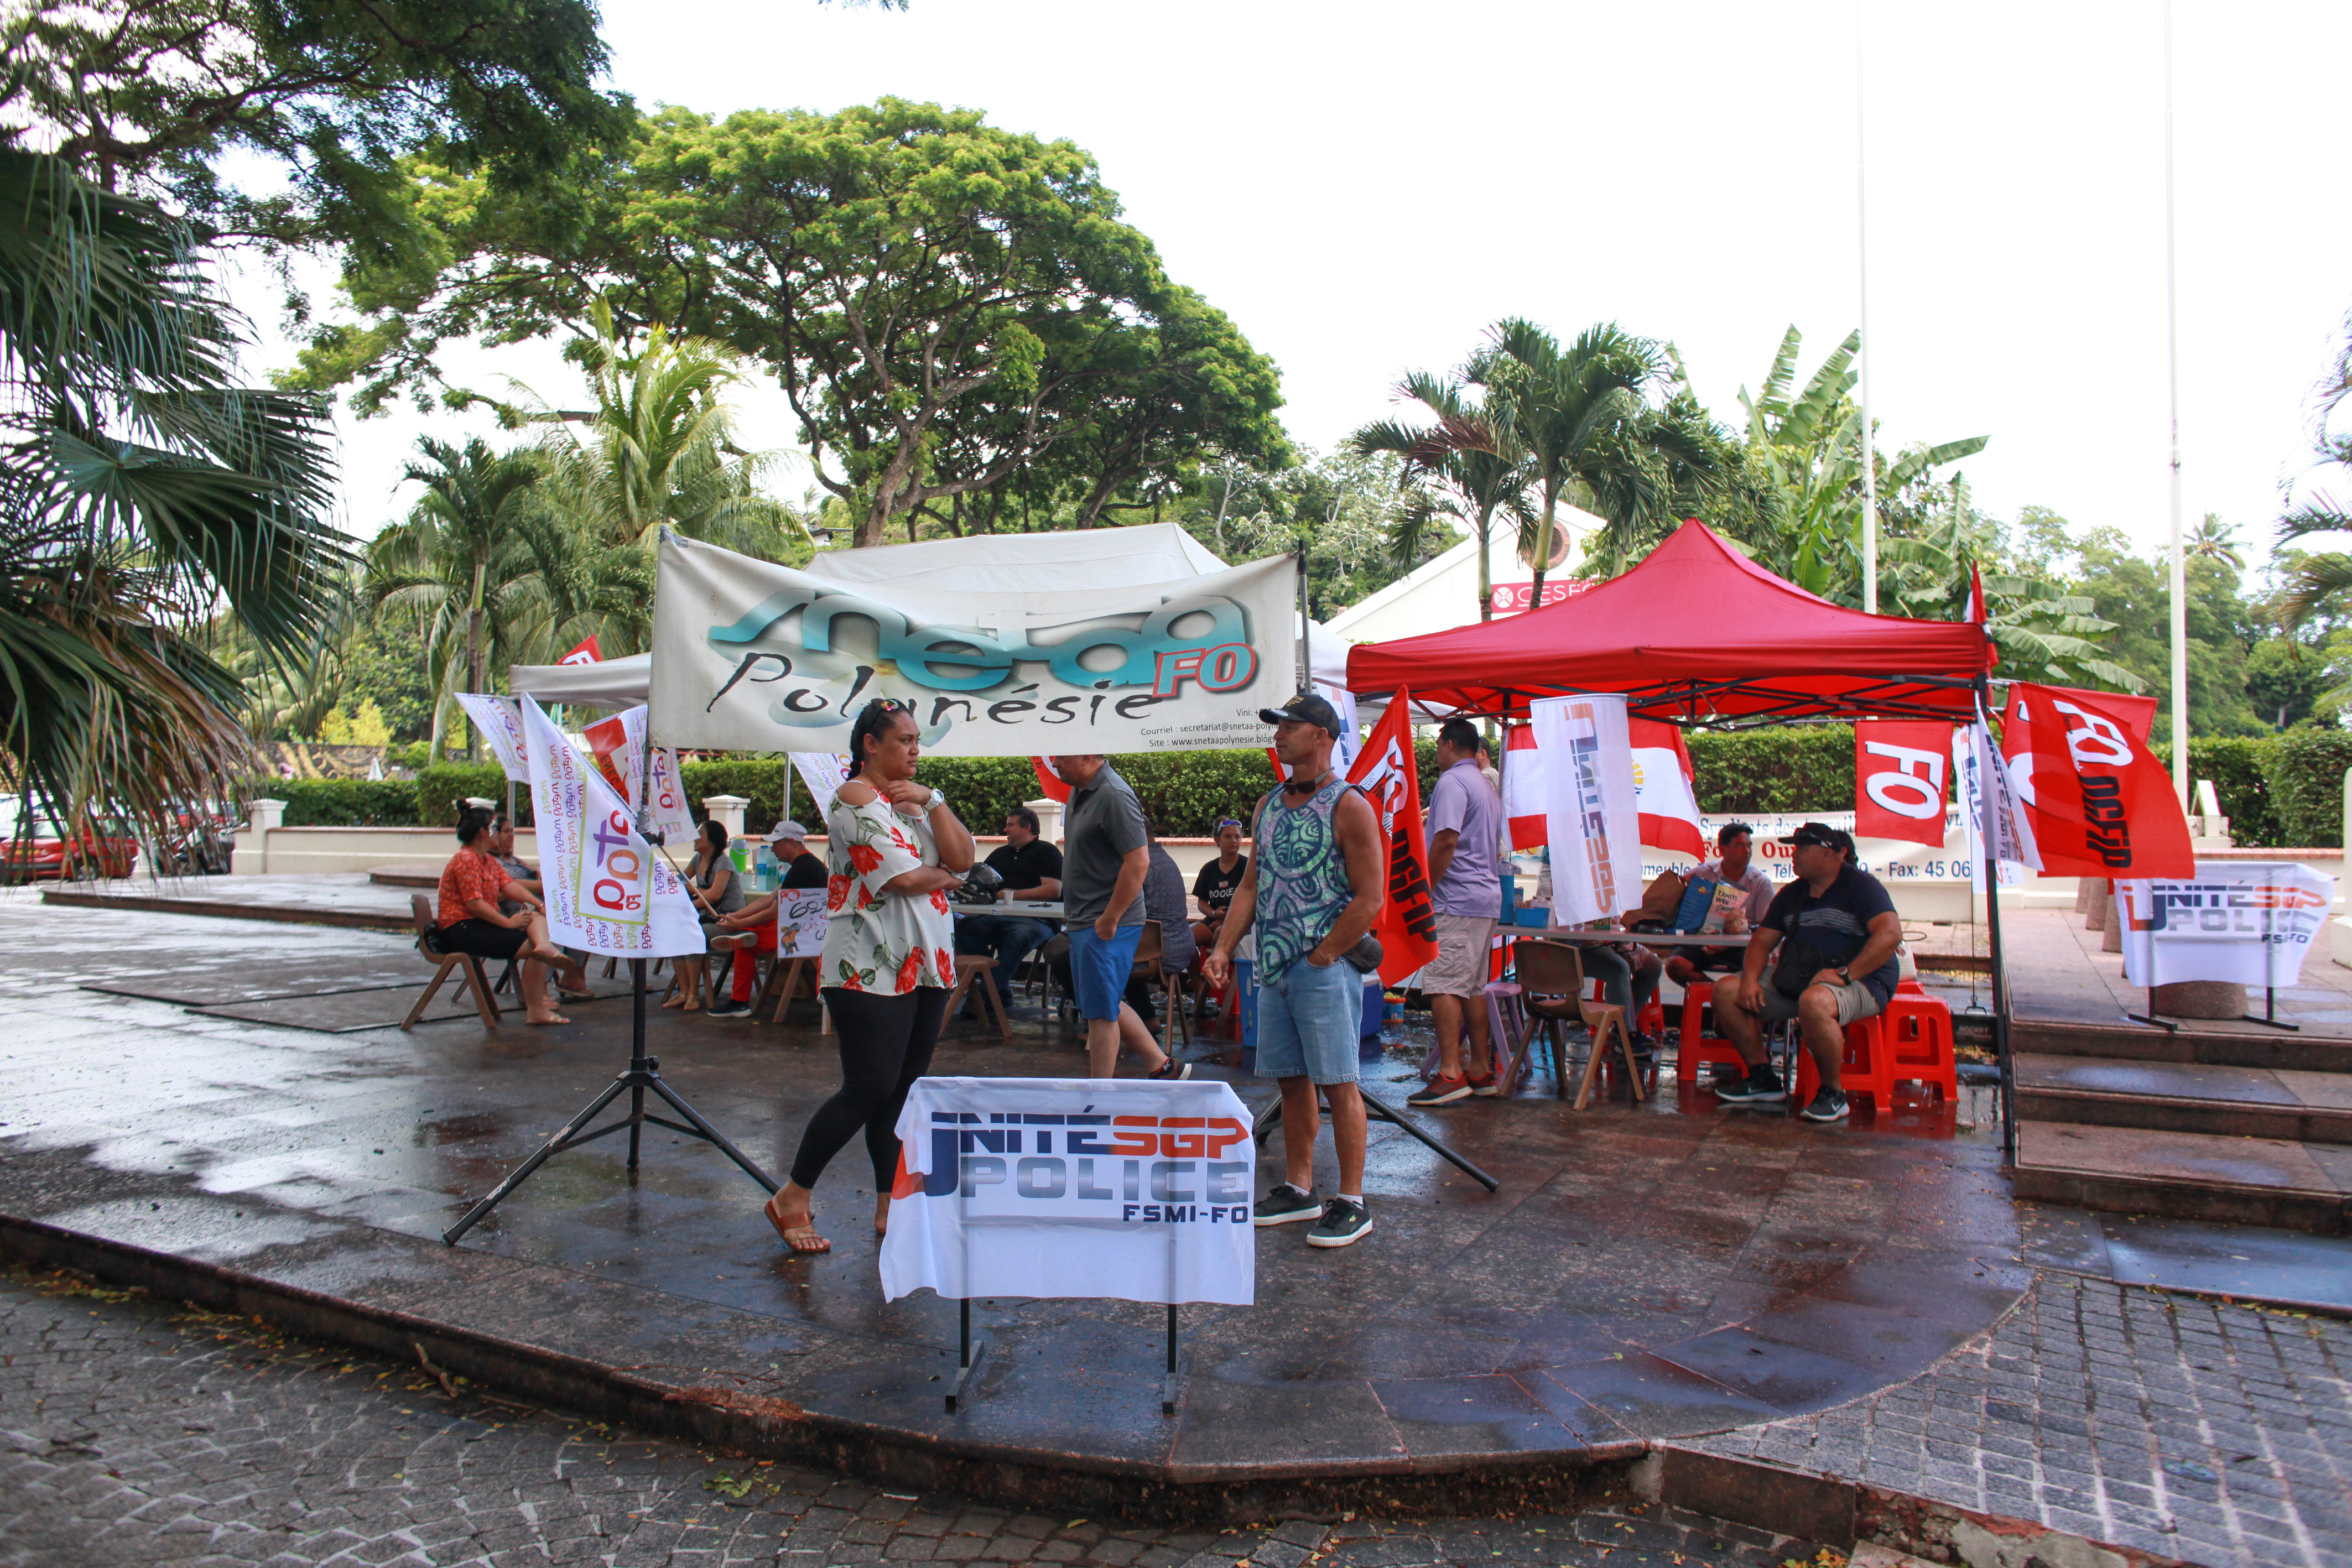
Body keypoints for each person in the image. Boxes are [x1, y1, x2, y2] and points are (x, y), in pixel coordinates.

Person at [764, 699, 976, 1254]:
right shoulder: (854, 799)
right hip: (868, 962)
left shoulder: (913, 801)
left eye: (916, 740)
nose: (914, 750)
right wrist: (947, 878)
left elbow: (964, 857)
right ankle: (792, 1195)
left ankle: (891, 1204)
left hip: (927, 961)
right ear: (870, 745)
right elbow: (903, 878)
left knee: (902, 1093)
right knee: (868, 1088)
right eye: (903, 740)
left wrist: (934, 802)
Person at [1203, 692, 1385, 1249]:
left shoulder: (1349, 804)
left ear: (1322, 737)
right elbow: (1252, 885)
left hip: (1321, 967)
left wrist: (1325, 954)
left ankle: (1352, 1200)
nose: (1279, 735)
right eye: (1278, 726)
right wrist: (1223, 948)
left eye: (1291, 726)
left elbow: (1370, 897)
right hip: (1273, 965)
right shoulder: (1269, 805)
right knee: (1291, 1080)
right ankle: (1298, 1187)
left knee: (1338, 1080)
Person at [1713, 822, 1903, 1124]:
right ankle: (1764, 1079)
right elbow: (1762, 942)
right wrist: (1749, 980)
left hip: (1864, 980)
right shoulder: (1793, 893)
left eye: (1802, 848)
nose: (1794, 855)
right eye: (1794, 848)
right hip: (1801, 976)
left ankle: (1833, 1093)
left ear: (1832, 854)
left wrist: (1846, 974)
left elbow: (1890, 934)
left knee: (1814, 1002)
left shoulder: (1862, 886)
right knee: (1726, 990)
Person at [1050, 754, 1189, 1081]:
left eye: (1061, 756)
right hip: (1086, 920)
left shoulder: (1114, 795)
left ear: (1086, 755)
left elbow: (1139, 863)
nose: (1054, 763)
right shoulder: (1079, 791)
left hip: (1106, 923)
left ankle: (1098, 1097)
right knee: (1102, 1002)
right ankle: (1162, 1065)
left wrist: (1110, 918)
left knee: (1100, 1015)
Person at [1409, 719, 1505, 1107]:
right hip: (1484, 898)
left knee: (1445, 985)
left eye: (1437, 744)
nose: (1435, 752)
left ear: (1449, 744)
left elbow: (1446, 839)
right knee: (1473, 987)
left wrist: (1425, 888)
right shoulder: (1485, 783)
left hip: (1455, 899)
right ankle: (1480, 1070)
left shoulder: (1452, 782)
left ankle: (1451, 1073)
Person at [432, 805, 575, 1026]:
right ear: (483, 832)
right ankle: (536, 1008)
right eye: (494, 828)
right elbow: (475, 904)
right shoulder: (466, 859)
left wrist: (540, 905)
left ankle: (544, 947)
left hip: (478, 925)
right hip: (460, 929)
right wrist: (508, 922)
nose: (499, 833)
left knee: (536, 923)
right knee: (532, 949)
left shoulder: (487, 860)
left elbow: (509, 886)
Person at [707, 821, 829, 1018]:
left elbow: (774, 911)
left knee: (746, 944)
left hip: (805, 936)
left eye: (776, 844)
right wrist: (736, 916)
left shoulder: (803, 869)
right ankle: (747, 934)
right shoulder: (805, 865)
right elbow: (770, 898)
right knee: (750, 932)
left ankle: (740, 1003)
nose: (772, 849)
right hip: (803, 928)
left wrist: (739, 923)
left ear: (791, 842)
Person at [951, 806, 1063, 1013]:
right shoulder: (1000, 854)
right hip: (998, 917)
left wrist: (1011, 894)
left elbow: (1053, 890)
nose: (1006, 829)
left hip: (1038, 919)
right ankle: (998, 992)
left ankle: (985, 995)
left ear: (1027, 828)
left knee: (1017, 937)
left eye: (1011, 825)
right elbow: (978, 882)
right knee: (966, 928)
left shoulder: (1047, 852)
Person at [488, 811, 590, 1001]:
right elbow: (506, 887)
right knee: (556, 931)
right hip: (520, 911)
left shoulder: (516, 860)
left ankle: (573, 976)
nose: (511, 835)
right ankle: (540, 990)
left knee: (582, 922)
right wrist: (549, 884)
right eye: (506, 831)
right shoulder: (493, 862)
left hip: (540, 906)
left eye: (513, 831)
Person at [1663, 821, 1775, 993]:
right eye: (1740, 845)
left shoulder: (1761, 882)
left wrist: (1734, 932)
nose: (1747, 851)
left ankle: (1731, 1004)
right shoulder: (1702, 874)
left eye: (1749, 846)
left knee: (1758, 970)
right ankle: (1720, 997)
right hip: (1703, 942)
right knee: (1675, 965)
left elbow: (1764, 925)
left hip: (1743, 947)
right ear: (1723, 849)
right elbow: (1673, 896)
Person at [1190, 817, 1248, 955]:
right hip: (1213, 921)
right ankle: (1196, 977)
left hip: (1242, 923)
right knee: (1185, 939)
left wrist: (1226, 921)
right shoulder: (1209, 869)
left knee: (1220, 932)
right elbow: (1202, 903)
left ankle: (1212, 975)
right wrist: (1215, 914)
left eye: (1237, 837)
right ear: (1217, 840)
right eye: (1228, 837)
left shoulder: (1248, 867)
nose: (1233, 841)